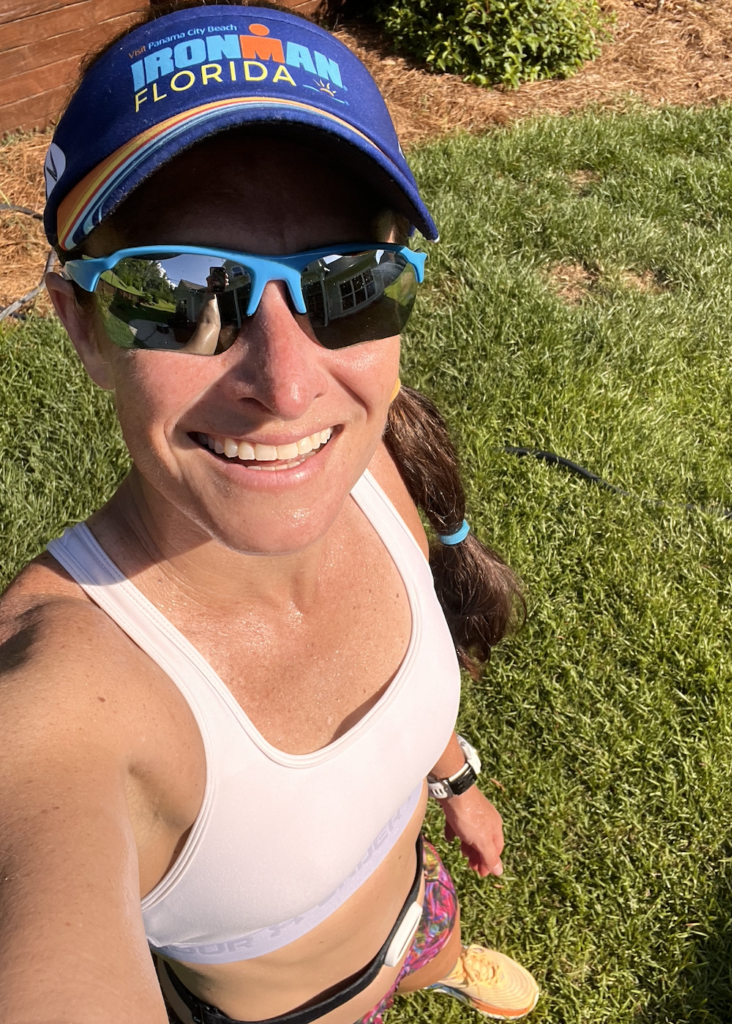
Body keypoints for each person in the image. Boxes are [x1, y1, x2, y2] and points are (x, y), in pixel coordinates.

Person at [0, 2, 539, 1022]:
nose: (288, 387)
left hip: (412, 898)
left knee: (431, 932)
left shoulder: (370, 469)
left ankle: (442, 958)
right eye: (179, 290)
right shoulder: (54, 710)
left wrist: (452, 775)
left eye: (349, 284)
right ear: (81, 328)